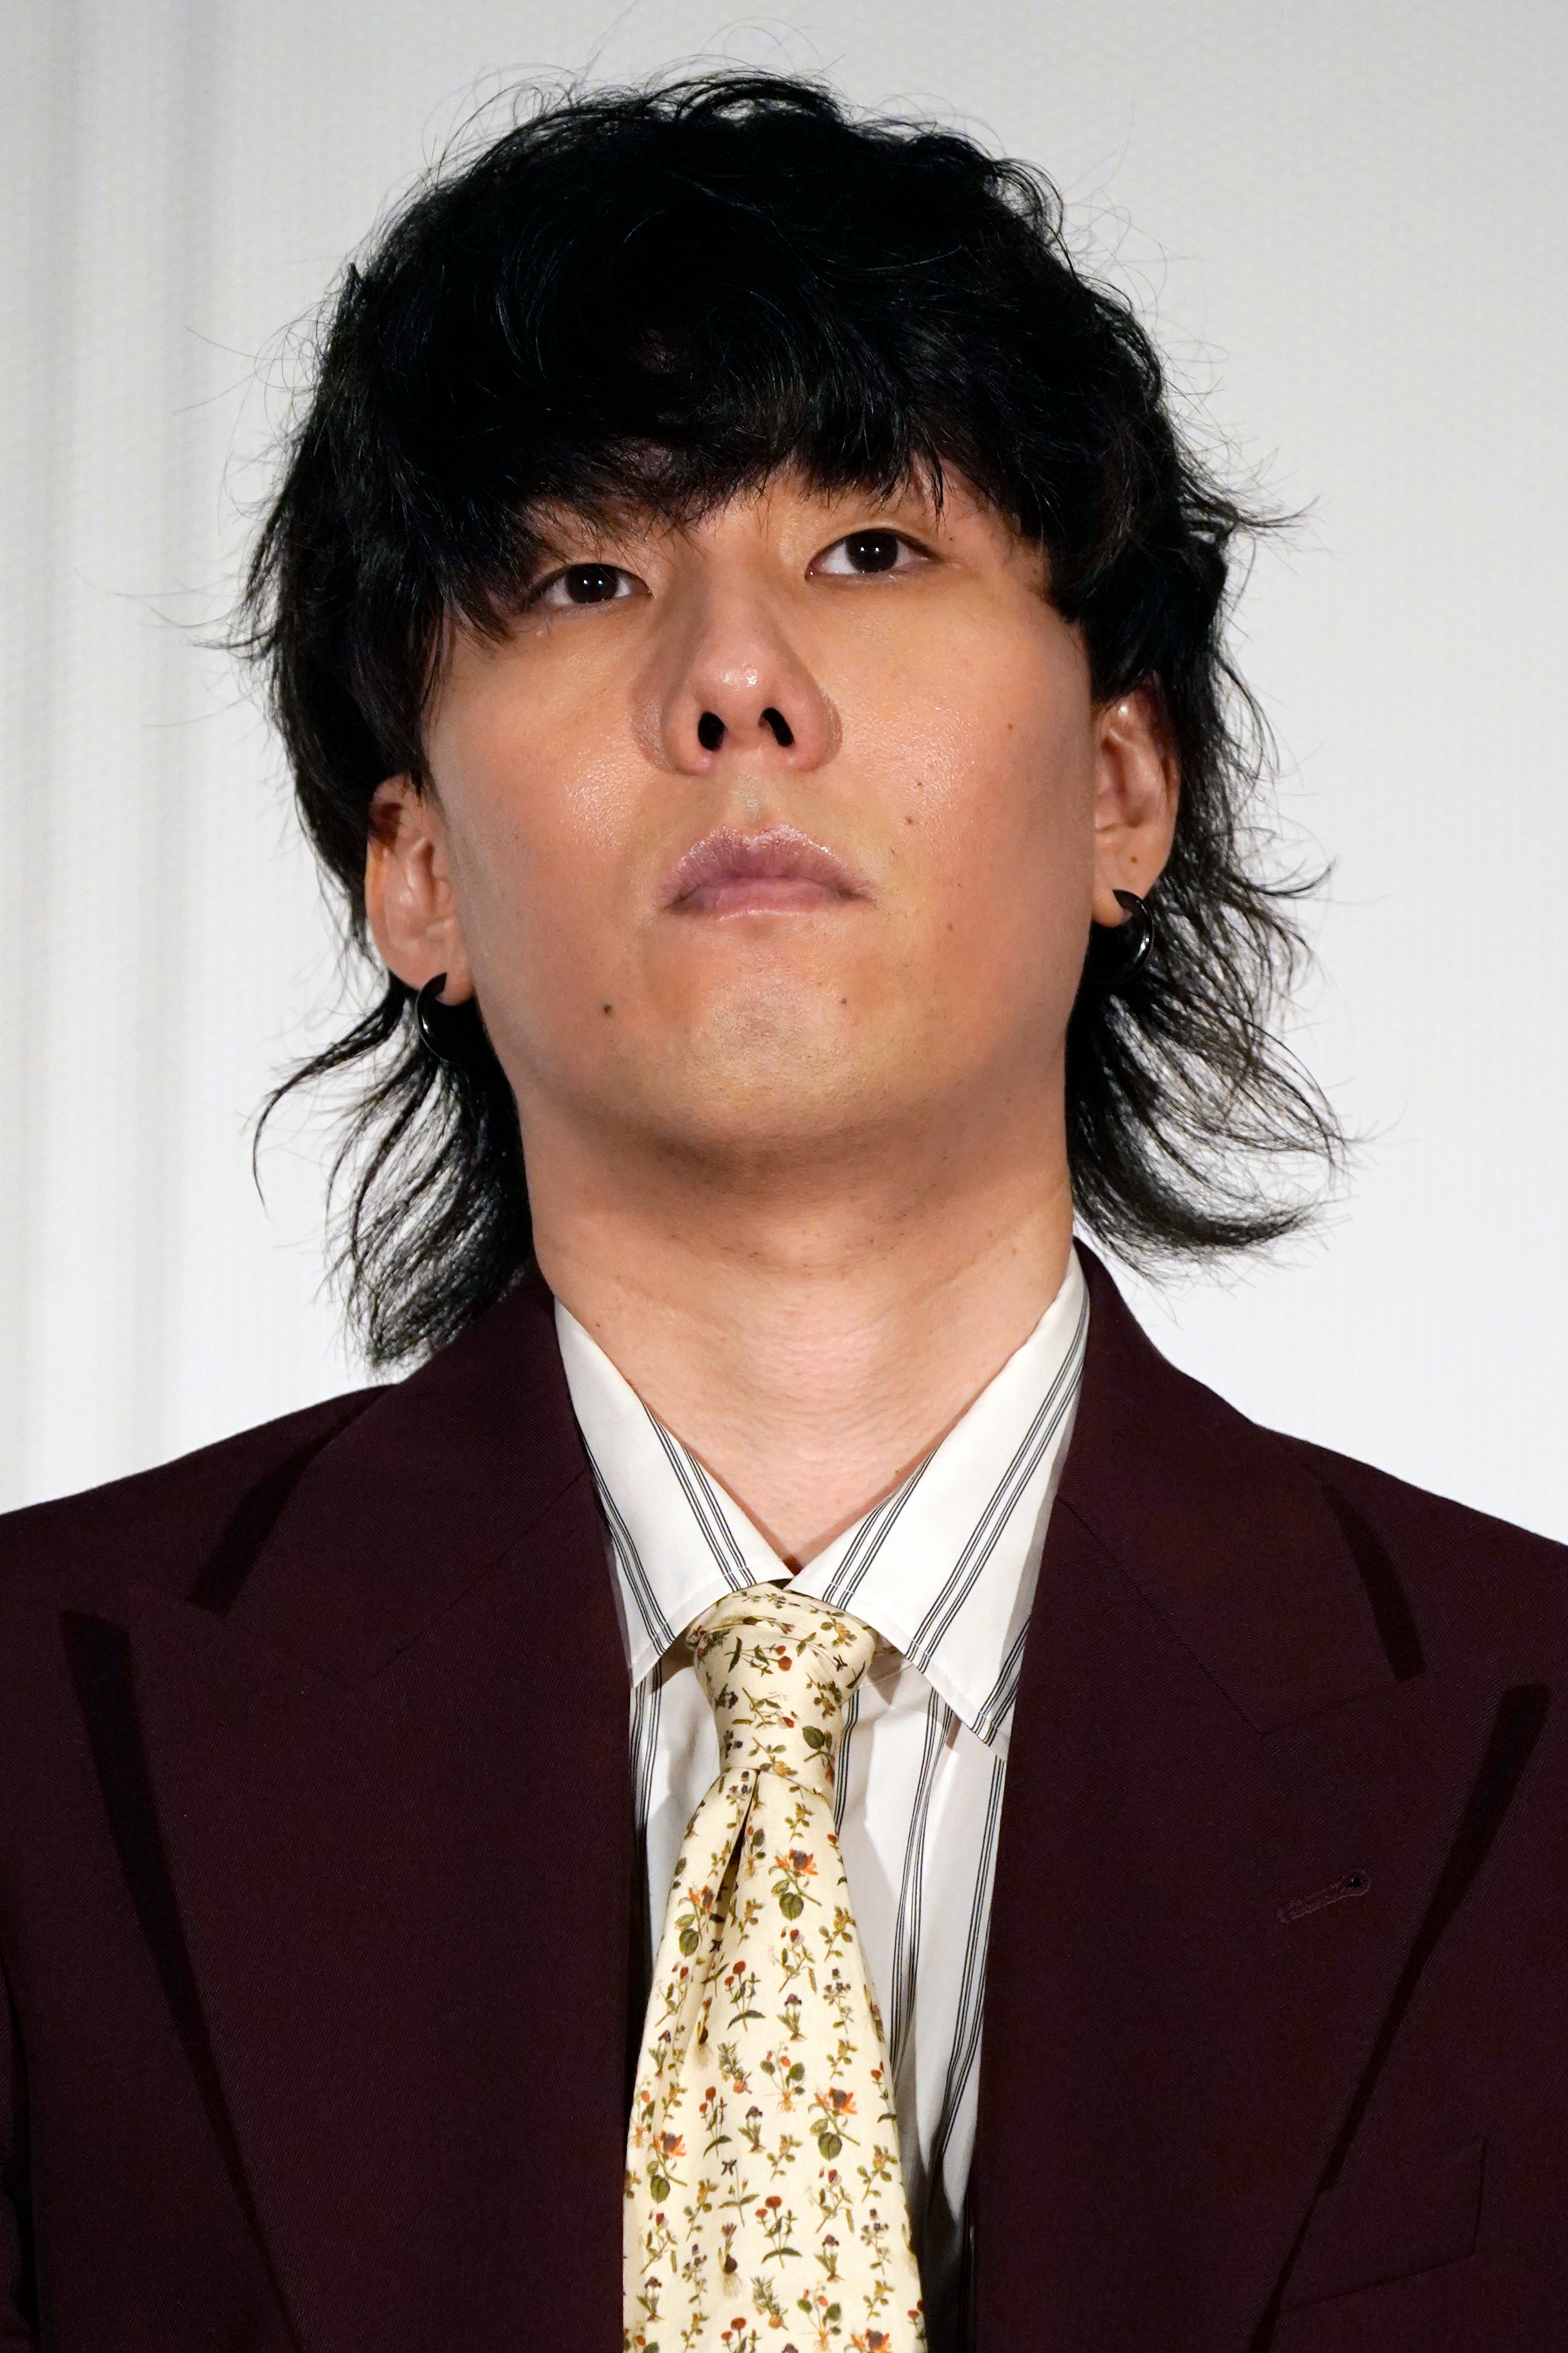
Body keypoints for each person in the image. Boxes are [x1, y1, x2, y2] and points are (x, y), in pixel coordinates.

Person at [0, 70, 1561, 2353]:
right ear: (412, 868)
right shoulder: (38, 1745)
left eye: (870, 552)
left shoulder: (1535, 1741)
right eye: (588, 577)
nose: (734, 683)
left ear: (1123, 784)